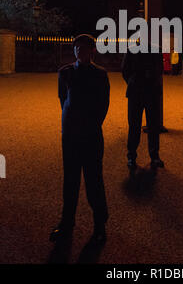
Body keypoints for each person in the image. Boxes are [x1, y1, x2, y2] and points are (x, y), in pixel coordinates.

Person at [50, 34, 110, 246]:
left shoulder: (100, 74)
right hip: (71, 134)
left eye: (83, 48)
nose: (79, 51)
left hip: (91, 134)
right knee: (70, 181)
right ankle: (67, 224)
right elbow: (62, 100)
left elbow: (103, 105)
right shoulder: (65, 72)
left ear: (92, 51)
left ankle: (100, 225)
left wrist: (90, 125)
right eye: (76, 48)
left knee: (94, 181)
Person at [122, 45, 164, 170]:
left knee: (152, 125)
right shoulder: (135, 50)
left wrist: (132, 81)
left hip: (145, 91)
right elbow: (125, 70)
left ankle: (149, 156)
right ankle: (134, 156)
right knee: (135, 125)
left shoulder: (154, 50)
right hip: (140, 91)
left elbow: (125, 70)